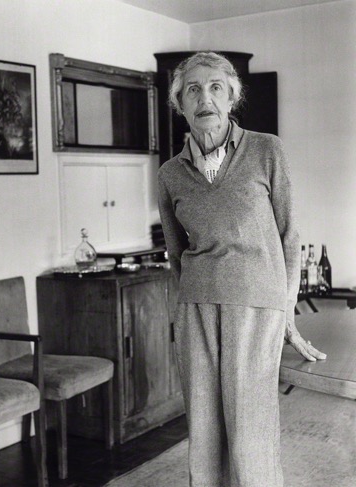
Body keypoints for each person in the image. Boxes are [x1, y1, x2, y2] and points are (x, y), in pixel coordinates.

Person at [158, 51, 326, 487]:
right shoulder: (170, 174)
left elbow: (289, 235)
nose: (205, 98)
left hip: (256, 308)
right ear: (179, 103)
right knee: (204, 433)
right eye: (193, 89)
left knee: (251, 437)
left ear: (232, 98)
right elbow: (175, 252)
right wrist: (186, 306)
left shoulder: (267, 150)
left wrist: (286, 310)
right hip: (196, 309)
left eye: (216, 87)